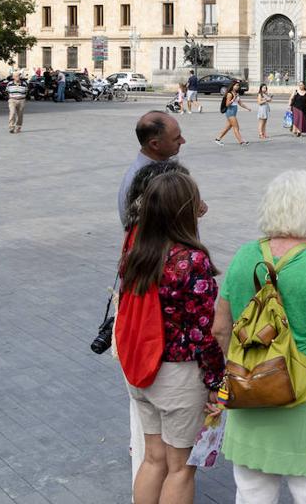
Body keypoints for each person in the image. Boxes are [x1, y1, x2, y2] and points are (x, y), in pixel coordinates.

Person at [212, 170, 306, 503]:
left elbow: (219, 327)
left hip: (249, 385)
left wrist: (230, 372)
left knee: (252, 490)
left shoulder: (245, 255)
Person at [118, 170, 224, 504]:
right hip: (178, 376)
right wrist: (216, 380)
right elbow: (202, 331)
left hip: (140, 370)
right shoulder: (191, 260)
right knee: (180, 469)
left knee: (153, 458)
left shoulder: (136, 254)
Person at [118, 111, 187, 223]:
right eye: (176, 138)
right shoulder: (142, 182)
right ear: (154, 144)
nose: (183, 141)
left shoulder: (160, 169)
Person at [215, 80, 251, 146]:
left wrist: (247, 108)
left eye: (238, 85)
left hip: (233, 112)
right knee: (236, 127)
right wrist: (233, 99)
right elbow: (227, 104)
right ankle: (241, 141)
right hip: (230, 112)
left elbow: (240, 103)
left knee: (227, 128)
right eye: (236, 85)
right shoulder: (229, 94)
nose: (237, 86)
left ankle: (217, 139)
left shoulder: (236, 93)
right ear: (232, 86)